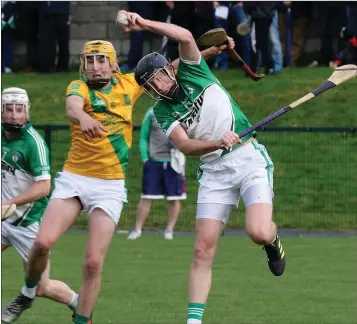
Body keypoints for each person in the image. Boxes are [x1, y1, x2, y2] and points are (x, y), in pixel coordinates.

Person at [5, 37, 236, 324]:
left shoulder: (129, 84)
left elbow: (171, 67)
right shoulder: (78, 87)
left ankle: (83, 320)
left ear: (113, 64)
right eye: (90, 61)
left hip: (110, 184)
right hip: (75, 178)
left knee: (93, 262)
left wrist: (209, 51)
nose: (95, 66)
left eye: (101, 60)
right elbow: (72, 107)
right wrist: (83, 118)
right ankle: (29, 292)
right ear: (83, 66)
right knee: (41, 243)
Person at [119, 10, 286, 324]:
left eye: (158, 75)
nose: (158, 84)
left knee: (258, 231)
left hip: (248, 158)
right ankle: (193, 322)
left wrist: (145, 24)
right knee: (202, 251)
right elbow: (184, 146)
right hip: (214, 170)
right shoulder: (161, 112)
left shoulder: (193, 70)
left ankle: (273, 241)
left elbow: (183, 35)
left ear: (169, 69)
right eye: (150, 83)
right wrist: (216, 143)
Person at [1, 87, 79, 323]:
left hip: (30, 223)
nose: (14, 115)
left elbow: (44, 187)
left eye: (19, 109)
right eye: (9, 109)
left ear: (27, 112)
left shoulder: (34, 143)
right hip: (4, 219)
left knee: (42, 288)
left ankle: (80, 304)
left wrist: (9, 203)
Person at [127, 106, 186, 240]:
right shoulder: (152, 112)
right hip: (154, 161)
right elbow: (143, 136)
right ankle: (137, 229)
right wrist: (145, 159)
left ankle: (169, 231)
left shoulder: (182, 112)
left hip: (175, 162)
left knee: (175, 198)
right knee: (146, 197)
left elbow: (190, 135)